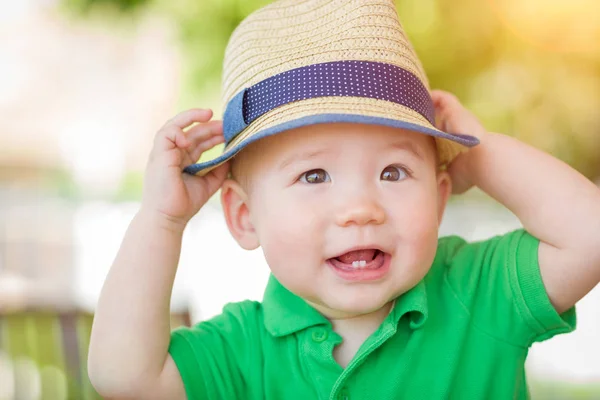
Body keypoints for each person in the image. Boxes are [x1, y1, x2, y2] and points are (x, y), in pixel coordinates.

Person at [87, 0, 600, 399]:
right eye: (314, 176)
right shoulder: (242, 349)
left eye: (394, 171)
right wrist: (161, 220)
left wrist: (481, 154)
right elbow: (122, 377)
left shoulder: (478, 293)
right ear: (245, 217)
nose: (361, 208)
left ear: (439, 199)